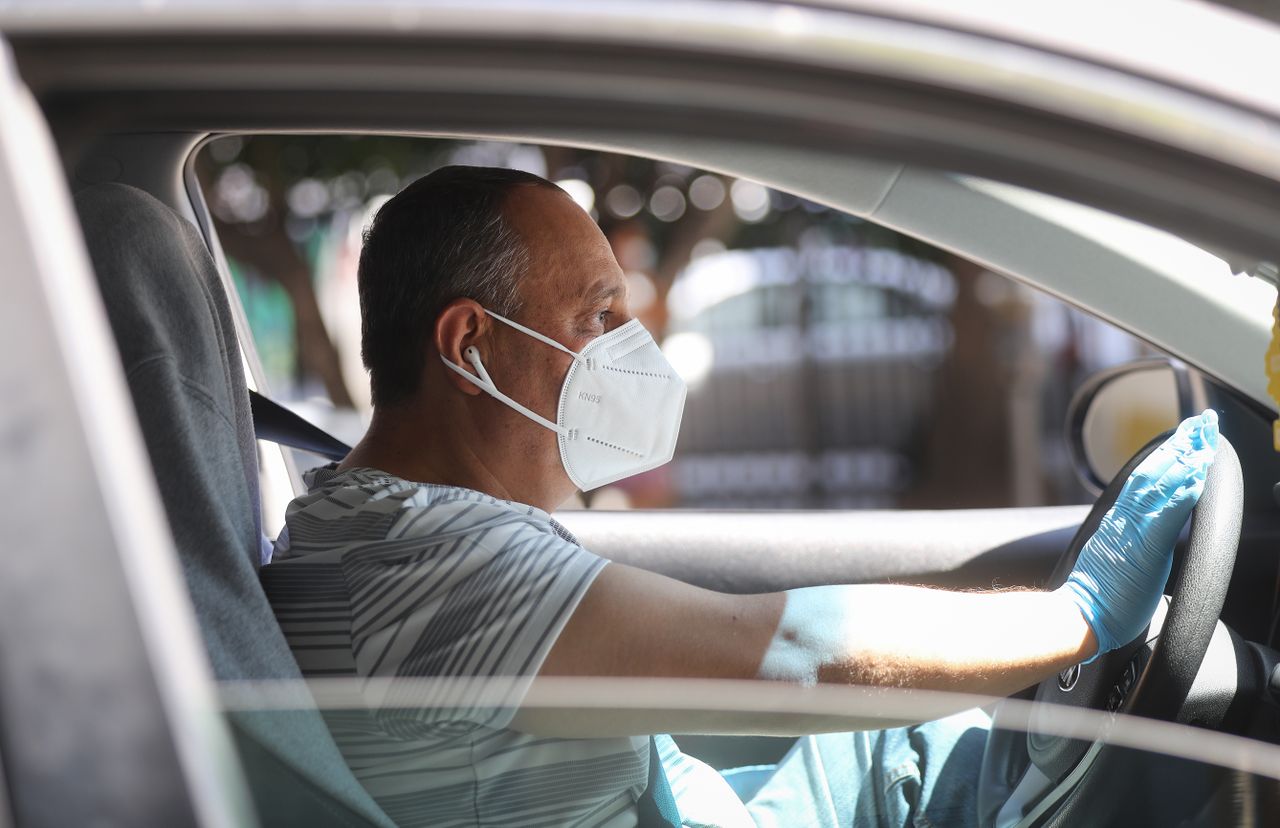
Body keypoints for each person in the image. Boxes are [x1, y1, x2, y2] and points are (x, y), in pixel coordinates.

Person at [261, 165, 1220, 828]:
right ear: (472, 347)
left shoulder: (390, 529)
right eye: (598, 315)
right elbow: (784, 652)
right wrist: (1079, 618)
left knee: (952, 756)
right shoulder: (426, 566)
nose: (628, 348)